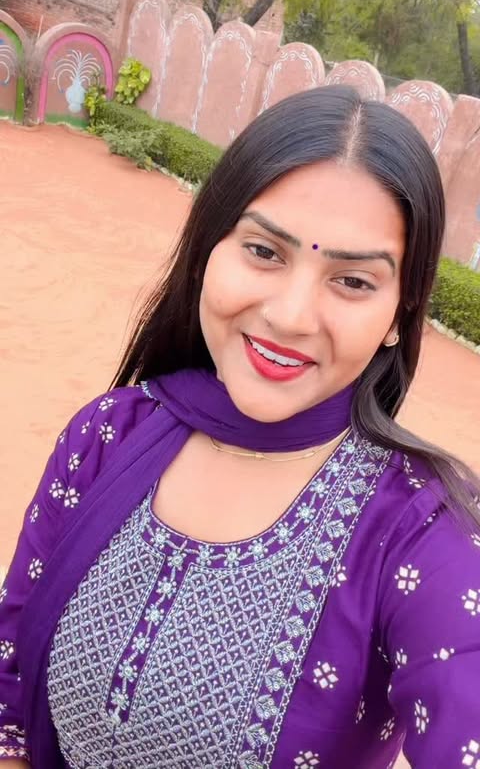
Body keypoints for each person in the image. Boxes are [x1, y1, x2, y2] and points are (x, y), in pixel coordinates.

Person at [0, 86, 479, 769]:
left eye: (352, 281)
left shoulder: (422, 528)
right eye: (263, 250)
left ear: (400, 316)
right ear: (207, 252)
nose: (289, 316)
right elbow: (10, 679)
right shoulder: (107, 436)